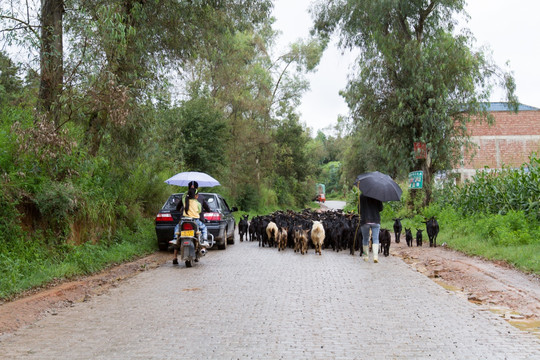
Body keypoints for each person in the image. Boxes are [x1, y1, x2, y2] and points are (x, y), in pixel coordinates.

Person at [358, 193, 383, 263]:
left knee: (365, 238)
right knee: (375, 239)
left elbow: (359, 210)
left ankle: (366, 256)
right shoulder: (377, 195)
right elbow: (380, 208)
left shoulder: (361, 196)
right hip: (375, 220)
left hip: (365, 221)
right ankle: (375, 256)